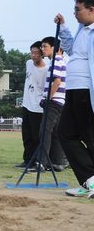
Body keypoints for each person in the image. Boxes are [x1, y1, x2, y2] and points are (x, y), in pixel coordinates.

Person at [55, 0, 94, 197]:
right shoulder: (82, 29)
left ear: (91, 9)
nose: (75, 13)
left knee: (89, 136)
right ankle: (89, 181)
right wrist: (62, 27)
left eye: (78, 10)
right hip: (73, 89)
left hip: (87, 90)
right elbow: (70, 48)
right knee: (66, 134)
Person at [33, 37, 66, 172]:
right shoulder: (57, 61)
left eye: (45, 46)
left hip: (54, 102)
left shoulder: (57, 60)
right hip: (59, 101)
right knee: (56, 132)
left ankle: (42, 163)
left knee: (44, 131)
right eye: (42, 46)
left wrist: (48, 98)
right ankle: (57, 162)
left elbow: (57, 82)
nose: (42, 49)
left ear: (54, 48)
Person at [17, 42, 48, 168]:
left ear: (42, 54)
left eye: (36, 53)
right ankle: (27, 159)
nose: (33, 56)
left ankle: (37, 161)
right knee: (26, 135)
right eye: (32, 52)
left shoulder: (46, 70)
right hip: (26, 104)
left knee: (36, 136)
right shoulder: (28, 63)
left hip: (38, 108)